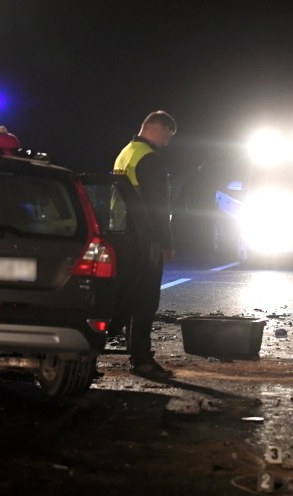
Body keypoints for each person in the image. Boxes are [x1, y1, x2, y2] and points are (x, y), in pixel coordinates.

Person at [112, 110, 177, 377]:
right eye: (167, 135)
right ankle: (141, 360)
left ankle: (95, 348)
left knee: (124, 296)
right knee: (145, 300)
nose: (167, 143)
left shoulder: (125, 153)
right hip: (144, 238)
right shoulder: (150, 159)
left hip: (120, 234)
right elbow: (158, 205)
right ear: (153, 129)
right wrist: (166, 241)